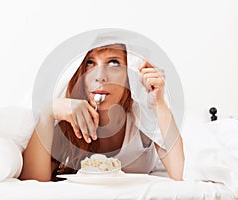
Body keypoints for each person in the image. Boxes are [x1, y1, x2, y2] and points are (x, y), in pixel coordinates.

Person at [19, 43, 184, 182]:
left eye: (113, 63)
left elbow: (180, 173)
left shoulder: (141, 116)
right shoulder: (66, 120)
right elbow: (33, 184)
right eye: (90, 63)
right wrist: (49, 112)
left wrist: (159, 103)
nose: (99, 77)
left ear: (130, 75)